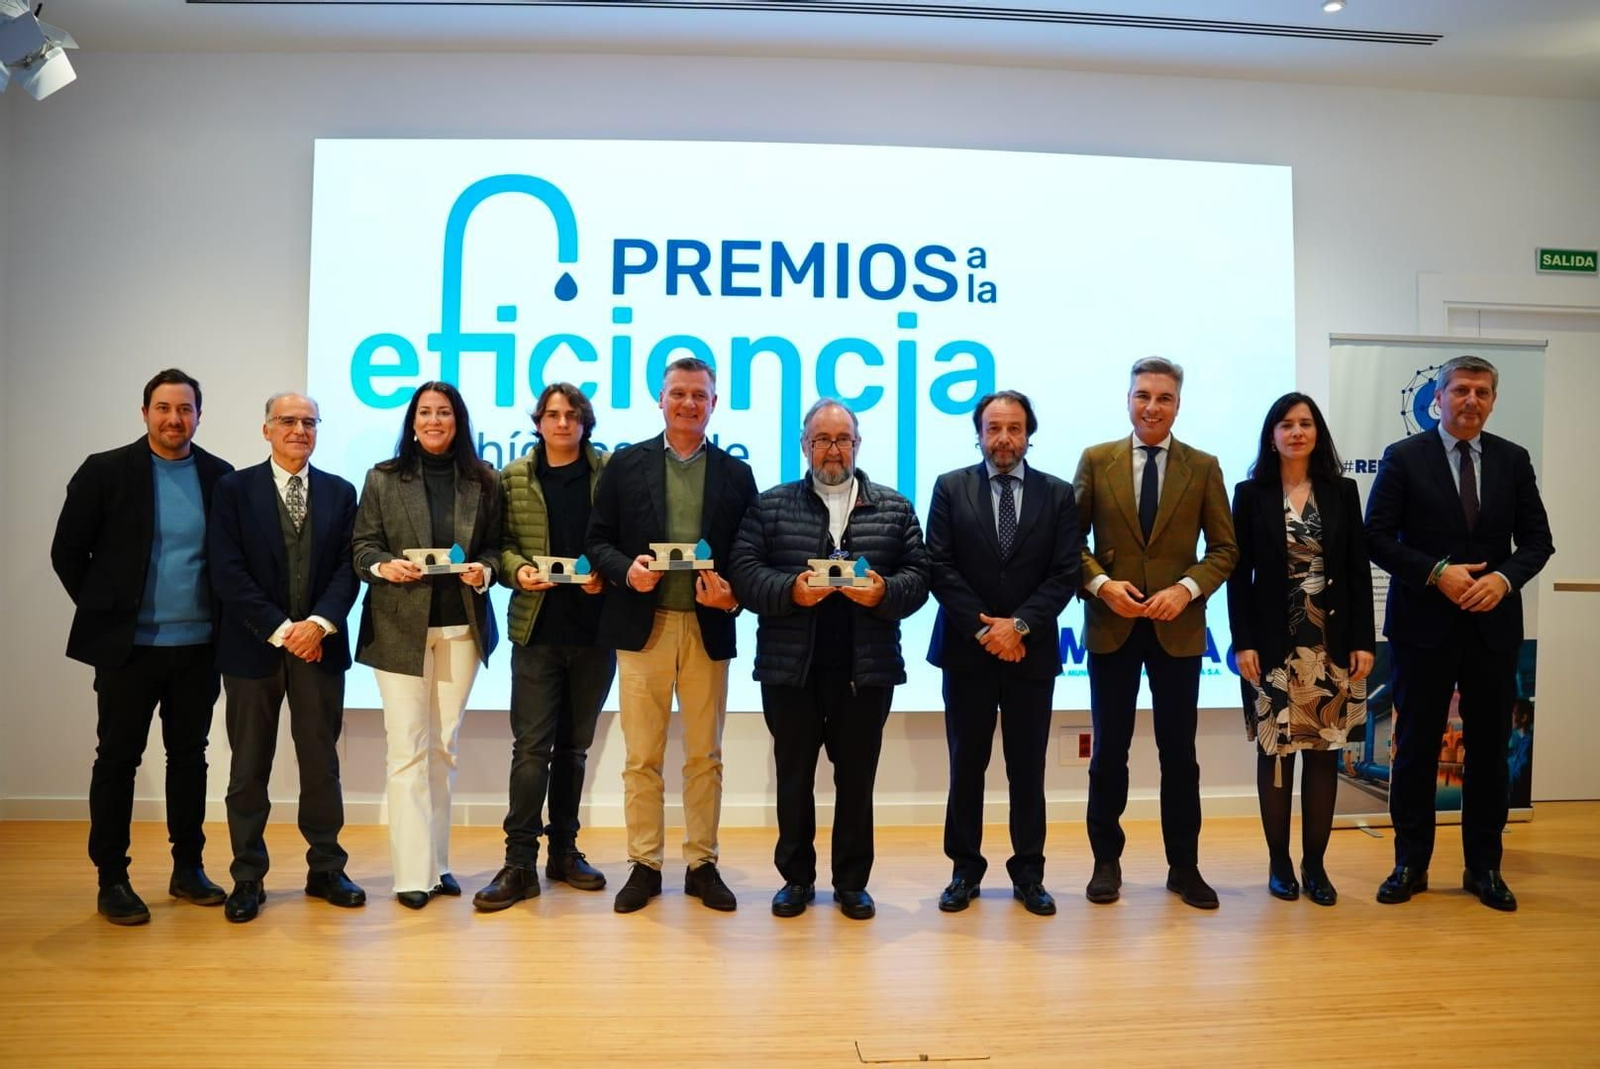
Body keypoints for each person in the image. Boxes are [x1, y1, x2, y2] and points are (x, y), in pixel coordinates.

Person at [1364, 354, 1553, 911]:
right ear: (1439, 398)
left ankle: (1484, 869)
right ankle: (1410, 864)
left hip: (1492, 630)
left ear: (1493, 401)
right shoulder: (1403, 457)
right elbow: (1376, 537)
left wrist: (1503, 579)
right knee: (1417, 748)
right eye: (1461, 390)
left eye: (1483, 392)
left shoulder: (1513, 460)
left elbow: (1538, 542)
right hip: (1422, 628)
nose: (1472, 400)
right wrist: (1435, 573)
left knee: (1490, 752)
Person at [728, 398, 929, 920]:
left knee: (856, 779)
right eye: (822, 439)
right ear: (805, 446)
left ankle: (851, 883)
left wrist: (883, 591)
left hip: (866, 669)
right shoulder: (771, 506)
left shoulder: (894, 506)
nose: (833, 449)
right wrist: (790, 590)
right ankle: (796, 880)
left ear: (858, 445)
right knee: (793, 776)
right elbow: (745, 572)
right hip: (791, 667)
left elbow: (921, 577)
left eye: (842, 439)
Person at [51, 368, 235, 925]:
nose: (174, 419)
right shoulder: (105, 471)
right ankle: (112, 878)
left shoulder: (219, 477)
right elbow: (68, 552)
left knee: (189, 761)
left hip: (200, 648)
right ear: (145, 412)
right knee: (117, 761)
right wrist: (110, 612)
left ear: (199, 415)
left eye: (185, 409)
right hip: (129, 651)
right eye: (163, 408)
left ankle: (188, 870)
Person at [585, 356, 758, 913]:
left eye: (699, 395)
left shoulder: (736, 474)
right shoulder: (625, 463)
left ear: (714, 403)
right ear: (660, 400)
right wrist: (626, 571)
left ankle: (702, 863)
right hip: (644, 627)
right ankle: (645, 864)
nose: (688, 403)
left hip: (707, 628)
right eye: (678, 393)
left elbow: (748, 554)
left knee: (704, 754)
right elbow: (598, 540)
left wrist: (734, 594)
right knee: (642, 756)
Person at [1075, 356, 1238, 909]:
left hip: (1179, 628)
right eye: (1143, 395)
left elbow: (1225, 549)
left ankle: (1184, 868)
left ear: (1177, 404)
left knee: (1179, 753)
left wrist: (1186, 589)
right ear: (1128, 400)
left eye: (1163, 398)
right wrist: (1101, 585)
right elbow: (1070, 545)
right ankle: (1105, 864)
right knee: (1108, 753)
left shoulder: (1204, 465)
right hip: (1112, 625)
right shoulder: (1097, 461)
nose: (1152, 406)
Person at [207, 392, 365, 923]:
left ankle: (326, 869)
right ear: (266, 430)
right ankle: (247, 877)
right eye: (288, 421)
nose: (299, 429)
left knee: (321, 763)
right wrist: (280, 629)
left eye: (309, 422)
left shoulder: (341, 493)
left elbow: (350, 568)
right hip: (252, 649)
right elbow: (226, 570)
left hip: (320, 649)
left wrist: (317, 625)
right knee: (249, 767)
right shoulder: (233, 489)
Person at [925, 390, 1081, 916]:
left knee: (1026, 770)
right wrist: (986, 630)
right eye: (994, 428)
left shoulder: (1058, 495)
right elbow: (939, 566)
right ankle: (964, 870)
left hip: (1030, 654)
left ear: (1029, 433)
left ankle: (1029, 873)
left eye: (1014, 428)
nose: (1004, 438)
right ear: (979, 433)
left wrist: (1019, 627)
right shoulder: (951, 488)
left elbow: (1065, 573)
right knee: (965, 766)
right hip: (968, 653)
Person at [351, 381, 501, 909]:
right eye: (425, 412)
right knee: (407, 750)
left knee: (443, 748)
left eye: (444, 412)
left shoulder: (483, 481)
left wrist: (486, 569)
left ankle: (437, 865)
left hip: (460, 628)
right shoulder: (383, 479)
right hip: (397, 628)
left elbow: (496, 549)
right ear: (412, 422)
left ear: (457, 421)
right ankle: (410, 875)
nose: (434, 420)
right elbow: (361, 546)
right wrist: (380, 566)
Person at [1226, 393, 1374, 908]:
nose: (1296, 432)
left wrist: (1363, 642)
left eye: (1305, 423)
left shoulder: (1342, 492)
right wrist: (1240, 641)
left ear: (1318, 433)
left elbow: (1357, 571)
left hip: (1330, 646)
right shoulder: (1249, 494)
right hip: (1270, 645)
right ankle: (1279, 863)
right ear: (1272, 435)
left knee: (1322, 756)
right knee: (1274, 755)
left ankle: (1315, 865)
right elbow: (1236, 578)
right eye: (1286, 424)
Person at [474, 383, 615, 911]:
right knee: (530, 750)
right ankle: (517, 865)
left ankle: (565, 852)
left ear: (585, 422)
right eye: (552, 414)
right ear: (538, 422)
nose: (562, 423)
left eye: (571, 414)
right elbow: (499, 546)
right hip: (535, 631)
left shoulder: (609, 474)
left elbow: (621, 544)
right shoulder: (512, 478)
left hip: (595, 633)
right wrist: (518, 571)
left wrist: (607, 574)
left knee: (574, 750)